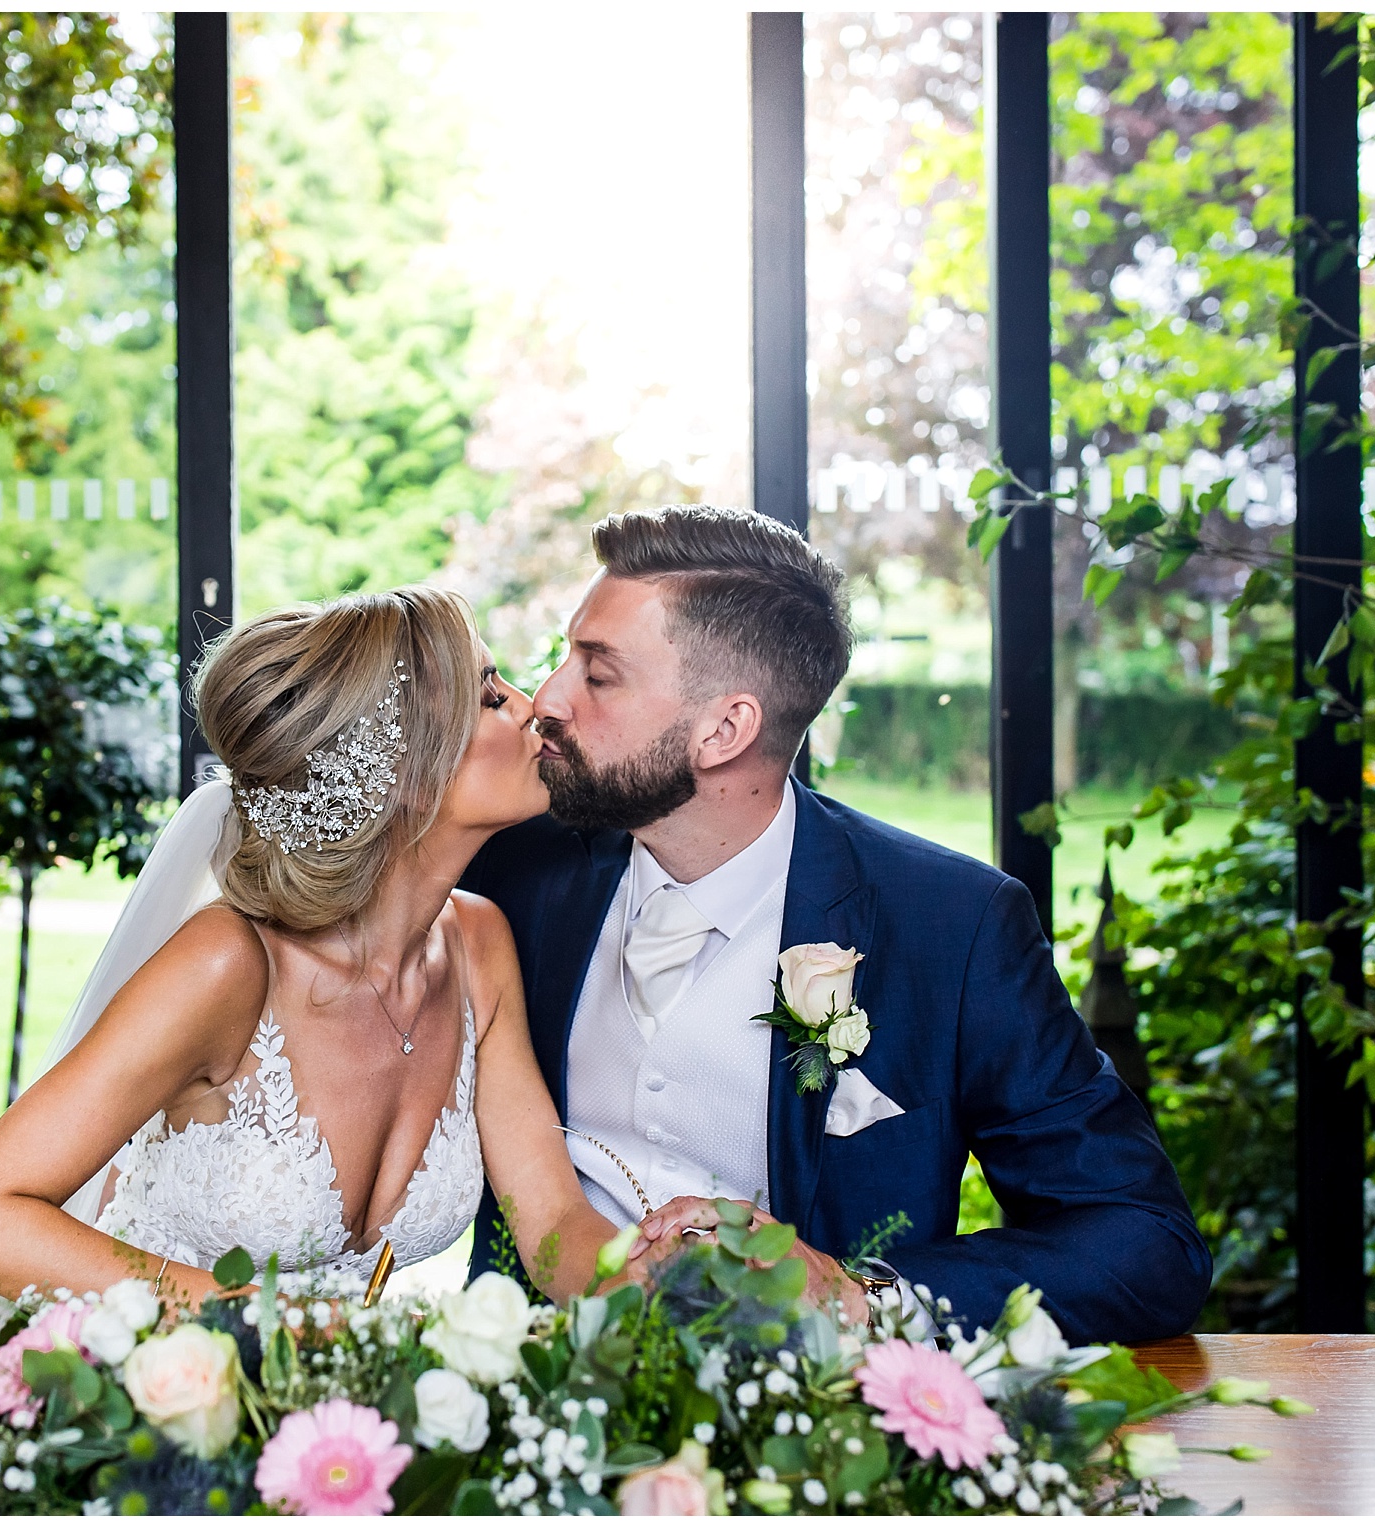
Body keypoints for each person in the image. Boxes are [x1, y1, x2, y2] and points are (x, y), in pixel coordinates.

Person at [460, 504, 1212, 1343]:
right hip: (530, 1403)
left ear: (725, 729)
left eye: (598, 675)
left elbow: (1146, 1241)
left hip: (817, 1432)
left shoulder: (949, 927)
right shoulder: (508, 868)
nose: (546, 699)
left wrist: (863, 1297)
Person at [0, 588, 619, 1310]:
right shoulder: (228, 965)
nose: (531, 703)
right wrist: (260, 1323)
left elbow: (554, 1223)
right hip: (140, 1392)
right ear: (406, 773)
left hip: (325, 1413)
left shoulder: (479, 946)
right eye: (487, 696)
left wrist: (686, 1287)